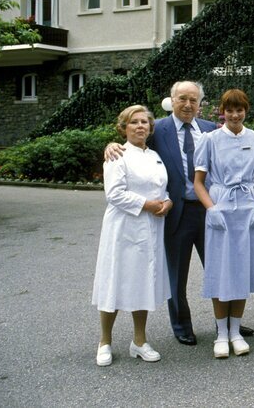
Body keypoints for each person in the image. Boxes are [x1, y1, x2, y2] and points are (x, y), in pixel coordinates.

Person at [104, 81, 254, 345]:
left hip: (210, 210)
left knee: (222, 268)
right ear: (172, 100)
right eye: (182, 99)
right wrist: (110, 145)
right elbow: (134, 142)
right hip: (176, 211)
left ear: (200, 103)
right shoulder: (157, 129)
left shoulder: (210, 129)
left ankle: (229, 324)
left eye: (193, 100)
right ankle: (181, 325)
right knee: (177, 274)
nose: (188, 104)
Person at [193, 89, 254, 358]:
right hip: (221, 209)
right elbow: (198, 182)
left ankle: (236, 331)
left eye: (239, 110)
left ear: (246, 111)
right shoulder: (210, 140)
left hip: (248, 210)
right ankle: (221, 333)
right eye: (230, 110)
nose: (235, 115)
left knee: (241, 270)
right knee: (220, 270)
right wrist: (211, 208)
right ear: (222, 112)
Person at [92, 105, 172, 366]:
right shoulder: (117, 154)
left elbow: (161, 188)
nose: (140, 126)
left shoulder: (155, 156)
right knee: (115, 280)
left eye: (144, 122)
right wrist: (147, 205)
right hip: (123, 228)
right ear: (123, 128)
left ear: (150, 128)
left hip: (151, 228)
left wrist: (167, 202)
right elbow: (114, 194)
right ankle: (105, 341)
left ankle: (139, 341)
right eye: (134, 122)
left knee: (143, 282)